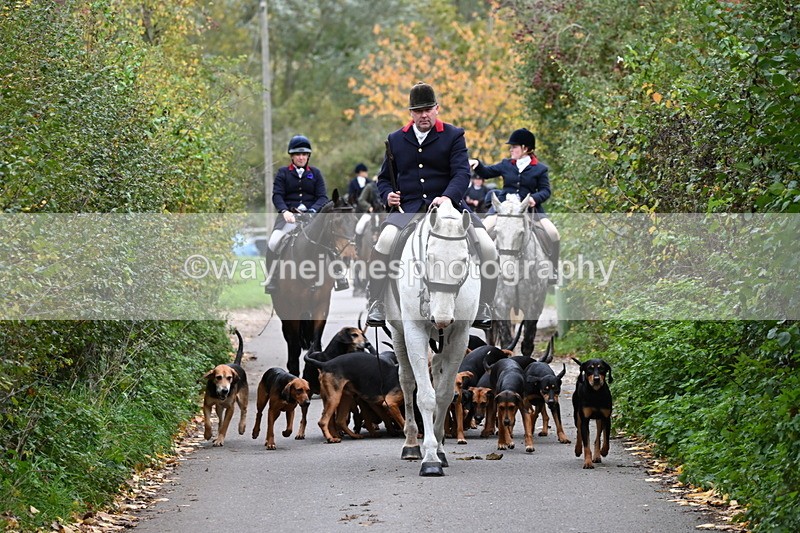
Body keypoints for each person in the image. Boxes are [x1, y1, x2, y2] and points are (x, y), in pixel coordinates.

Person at [365, 82, 498, 329]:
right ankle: (377, 303)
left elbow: (461, 173)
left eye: (428, 109)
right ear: (411, 113)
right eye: (418, 110)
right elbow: (384, 179)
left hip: (450, 207)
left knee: (488, 247)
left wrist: (447, 197)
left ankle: (484, 306)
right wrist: (387, 196)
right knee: (384, 242)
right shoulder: (395, 139)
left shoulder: (454, 135)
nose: (423, 115)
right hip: (410, 209)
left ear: (437, 109)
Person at [469, 128, 560, 284]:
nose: (511, 149)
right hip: (505, 208)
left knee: (553, 234)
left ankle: (552, 270)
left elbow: (546, 191)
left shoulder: (540, 169)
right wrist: (477, 164)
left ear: (525, 148)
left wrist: (534, 199)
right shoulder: (506, 164)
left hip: (529, 209)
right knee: (482, 230)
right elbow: (487, 172)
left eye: (514, 147)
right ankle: (476, 264)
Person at [264, 134, 330, 294]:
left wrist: (313, 211)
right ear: (292, 156)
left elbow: (322, 197)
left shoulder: (315, 173)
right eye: (297, 154)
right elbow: (277, 195)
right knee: (273, 242)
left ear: (308, 156)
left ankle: (339, 276)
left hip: (311, 219)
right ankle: (271, 278)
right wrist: (284, 211)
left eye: (304, 154)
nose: (301, 157)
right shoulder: (283, 173)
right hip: (289, 218)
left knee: (330, 242)